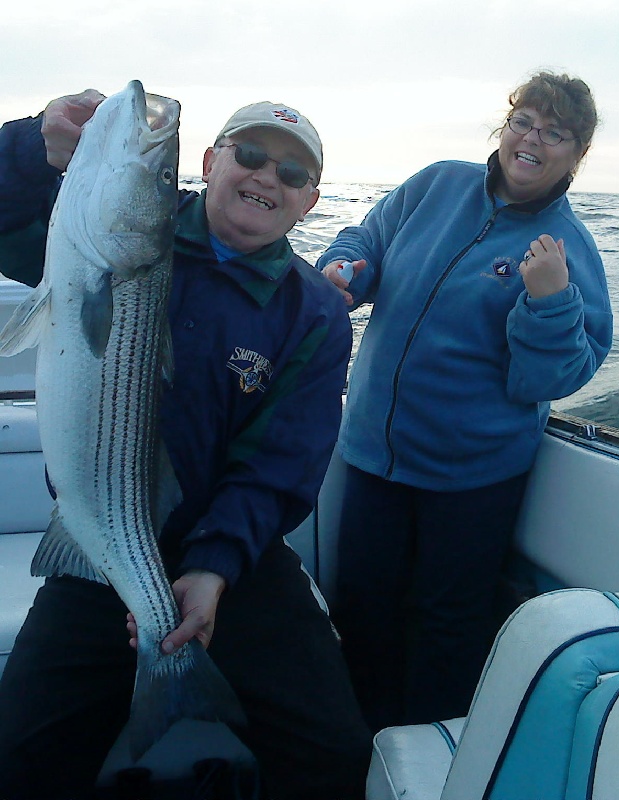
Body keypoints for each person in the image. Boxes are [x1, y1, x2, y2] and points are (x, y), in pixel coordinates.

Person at [0, 91, 372, 799]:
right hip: (93, 538)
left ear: (310, 202)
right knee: (20, 757)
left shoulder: (316, 312)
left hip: (233, 556)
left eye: (291, 174)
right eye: (252, 155)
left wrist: (215, 567)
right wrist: (29, 148)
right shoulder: (105, 233)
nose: (267, 178)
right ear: (207, 162)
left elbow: (279, 464)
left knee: (333, 750)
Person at [316, 71, 614, 733]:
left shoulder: (567, 250)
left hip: (472, 478)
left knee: (446, 630)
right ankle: (361, 751)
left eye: (555, 132)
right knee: (360, 607)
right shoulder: (437, 186)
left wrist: (549, 299)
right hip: (371, 455)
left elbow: (554, 376)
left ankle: (432, 759)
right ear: (505, 127)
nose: (532, 139)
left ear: (577, 153)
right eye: (524, 121)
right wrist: (344, 272)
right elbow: (367, 239)